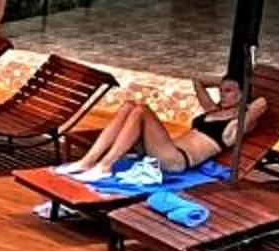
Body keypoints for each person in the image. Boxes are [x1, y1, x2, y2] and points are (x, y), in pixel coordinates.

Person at [60, 73, 256, 182]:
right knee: (129, 106)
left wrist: (248, 89)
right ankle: (87, 161)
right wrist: (225, 81)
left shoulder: (235, 125)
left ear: (242, 94)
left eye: (228, 91)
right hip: (164, 149)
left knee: (142, 110)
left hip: (177, 160)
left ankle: (105, 166)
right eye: (221, 90)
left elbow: (261, 104)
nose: (222, 94)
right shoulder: (212, 111)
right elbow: (197, 80)